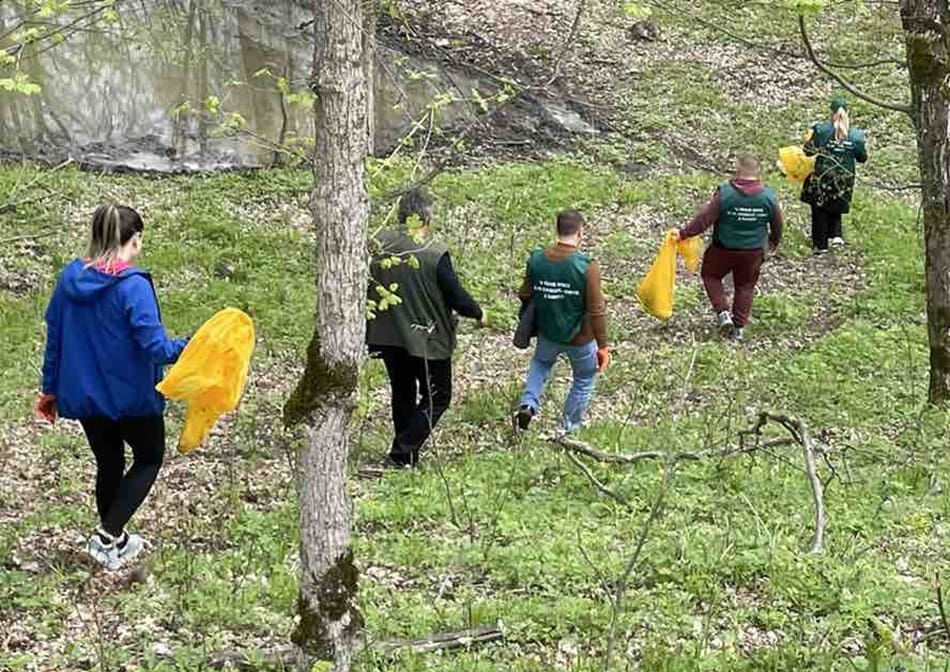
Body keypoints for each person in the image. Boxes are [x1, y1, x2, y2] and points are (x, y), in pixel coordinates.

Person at [37, 203, 189, 570]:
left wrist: (49, 389)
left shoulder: (69, 281)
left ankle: (116, 543)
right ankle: (106, 536)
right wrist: (196, 343)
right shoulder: (133, 287)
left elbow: (55, 339)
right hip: (132, 397)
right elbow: (157, 349)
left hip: (86, 397)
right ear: (134, 239)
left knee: (109, 462)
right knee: (149, 457)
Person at [366, 188, 486, 468]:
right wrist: (479, 313)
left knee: (402, 391)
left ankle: (405, 455)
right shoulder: (433, 253)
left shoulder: (378, 245)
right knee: (439, 395)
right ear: (427, 218)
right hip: (426, 337)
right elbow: (456, 296)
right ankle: (401, 453)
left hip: (386, 335)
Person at [514, 210, 609, 435]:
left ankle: (528, 404)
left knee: (541, 363)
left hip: (548, 331)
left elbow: (524, 293)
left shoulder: (537, 259)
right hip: (581, 338)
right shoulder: (587, 266)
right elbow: (596, 310)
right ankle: (568, 428)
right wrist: (603, 345)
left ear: (556, 230)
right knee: (584, 377)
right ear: (580, 232)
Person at [677, 155, 783, 341]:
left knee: (711, 275)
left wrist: (684, 233)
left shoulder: (725, 194)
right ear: (758, 172)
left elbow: (704, 219)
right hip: (753, 251)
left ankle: (723, 313)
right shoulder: (768, 197)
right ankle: (739, 328)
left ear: (738, 168)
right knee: (745, 286)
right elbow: (777, 224)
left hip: (723, 248)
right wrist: (773, 242)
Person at [801, 95, 868, 254]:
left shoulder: (821, 130)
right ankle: (836, 236)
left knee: (819, 208)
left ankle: (820, 245)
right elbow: (862, 158)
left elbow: (808, 151)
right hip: (845, 178)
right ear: (848, 112)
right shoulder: (856, 135)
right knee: (836, 203)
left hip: (823, 175)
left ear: (831, 113)